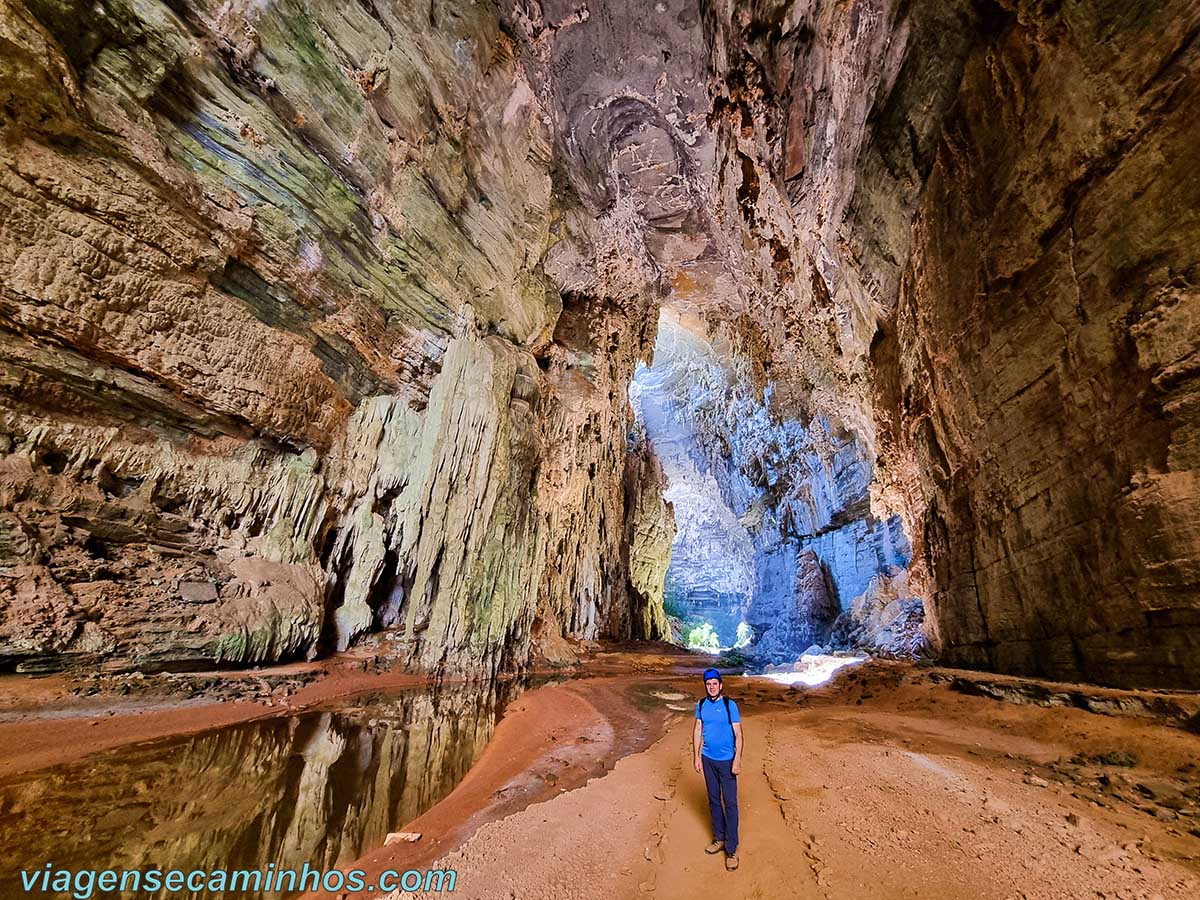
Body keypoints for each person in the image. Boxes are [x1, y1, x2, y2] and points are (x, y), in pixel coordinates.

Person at [693, 666, 742, 871]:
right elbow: (697, 729)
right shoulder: (702, 704)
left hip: (727, 760)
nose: (711, 687)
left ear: (720, 685)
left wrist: (737, 759)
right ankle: (719, 838)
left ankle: (731, 848)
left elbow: (739, 734)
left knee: (729, 803)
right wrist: (696, 756)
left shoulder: (730, 705)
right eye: (708, 684)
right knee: (713, 800)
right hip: (707, 759)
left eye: (714, 684)